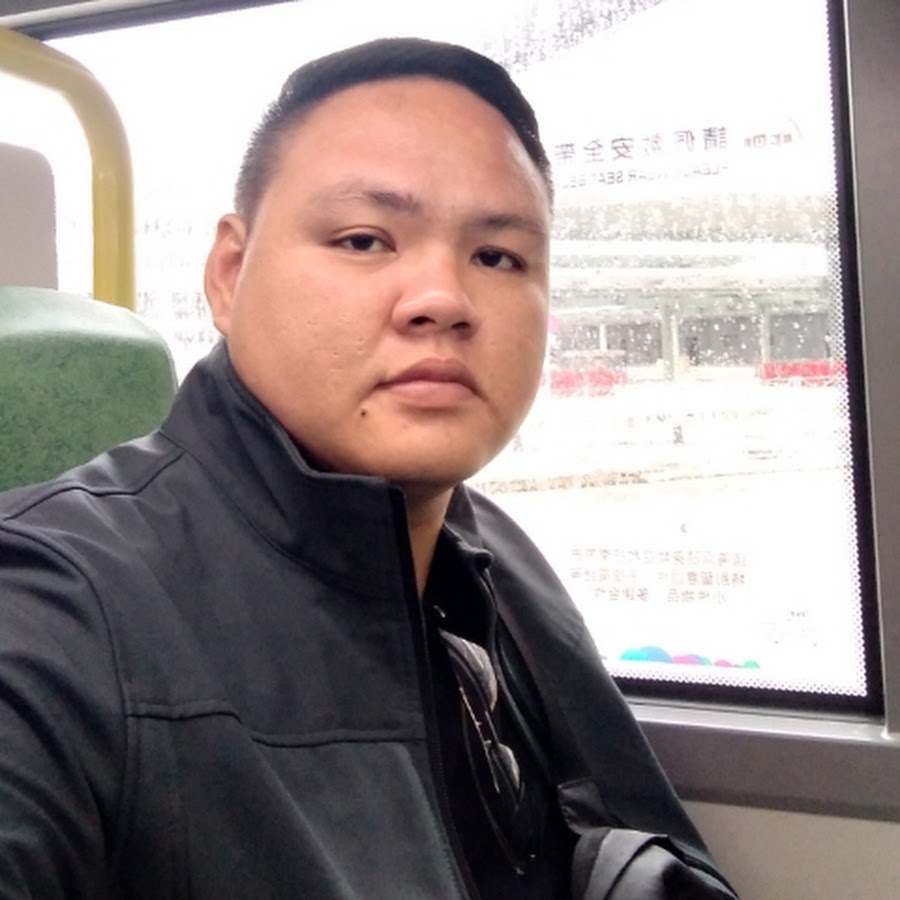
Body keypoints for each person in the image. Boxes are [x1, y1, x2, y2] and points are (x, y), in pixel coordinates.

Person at [0, 38, 738, 899]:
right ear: (229, 274)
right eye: (363, 240)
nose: (444, 299)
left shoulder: (488, 553)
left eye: (497, 256)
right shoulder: (51, 604)